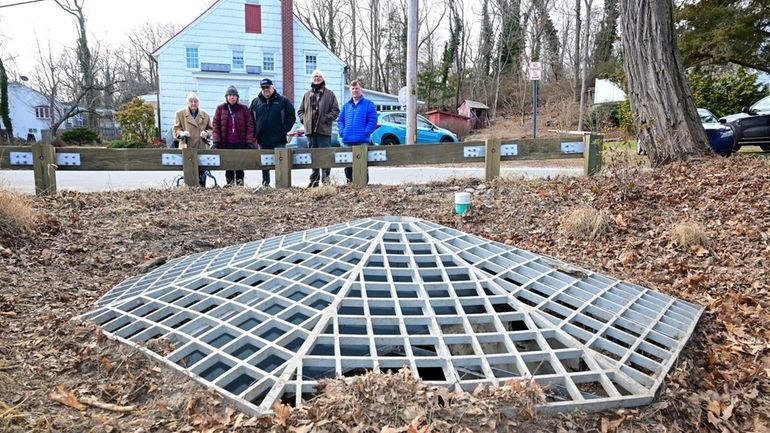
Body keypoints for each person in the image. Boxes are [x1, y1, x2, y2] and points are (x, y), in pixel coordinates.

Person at [249, 78, 296, 187]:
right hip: (262, 139)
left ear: (272, 87)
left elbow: (291, 116)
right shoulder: (255, 102)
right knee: (265, 163)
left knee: (280, 163)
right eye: (263, 88)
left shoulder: (283, 101)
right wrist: (255, 133)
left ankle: (281, 184)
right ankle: (266, 184)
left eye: (268, 87)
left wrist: (284, 130)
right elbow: (250, 120)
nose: (266, 89)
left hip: (278, 139)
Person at [297, 69, 340, 187]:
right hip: (310, 132)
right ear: (312, 79)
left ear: (323, 78)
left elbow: (336, 110)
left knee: (325, 157)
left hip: (324, 131)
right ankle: (314, 181)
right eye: (315, 76)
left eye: (319, 76)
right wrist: (304, 120)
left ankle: (326, 181)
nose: (317, 78)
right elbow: (300, 111)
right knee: (313, 157)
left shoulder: (329, 94)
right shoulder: (307, 95)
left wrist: (327, 118)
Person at [212, 85, 255, 186]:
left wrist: (249, 141)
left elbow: (250, 125)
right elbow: (216, 125)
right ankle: (230, 187)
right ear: (226, 97)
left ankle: (240, 187)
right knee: (229, 167)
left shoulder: (244, 109)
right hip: (226, 143)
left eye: (234, 95)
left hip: (240, 143)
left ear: (237, 97)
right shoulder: (220, 108)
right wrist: (216, 141)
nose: (232, 97)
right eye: (230, 95)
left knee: (240, 167)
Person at [338, 80, 378, 184]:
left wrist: (366, 132)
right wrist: (342, 132)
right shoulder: (346, 106)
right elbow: (340, 120)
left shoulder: (369, 104)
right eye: (353, 89)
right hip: (347, 140)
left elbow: (373, 120)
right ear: (350, 90)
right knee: (348, 165)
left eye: (357, 88)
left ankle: (363, 185)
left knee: (362, 164)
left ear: (361, 90)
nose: (355, 90)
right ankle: (350, 185)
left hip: (362, 140)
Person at [173, 91, 213, 187]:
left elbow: (211, 129)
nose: (193, 103)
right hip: (187, 148)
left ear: (198, 103)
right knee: (189, 175)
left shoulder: (205, 115)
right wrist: (181, 133)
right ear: (187, 102)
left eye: (195, 101)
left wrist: (207, 133)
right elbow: (176, 129)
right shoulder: (180, 114)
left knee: (202, 174)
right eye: (191, 101)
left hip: (201, 147)